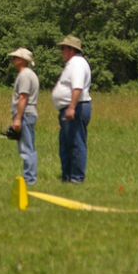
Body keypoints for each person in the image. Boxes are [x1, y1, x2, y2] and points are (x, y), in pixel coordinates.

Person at [51, 36, 92, 184]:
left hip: (76, 108)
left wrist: (72, 107)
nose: (61, 51)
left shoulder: (77, 64)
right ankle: (67, 176)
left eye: (63, 48)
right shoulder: (72, 64)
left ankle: (76, 177)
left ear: (71, 50)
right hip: (70, 109)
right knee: (66, 144)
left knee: (76, 143)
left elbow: (77, 87)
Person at [8, 48, 39, 186]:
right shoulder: (28, 74)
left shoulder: (25, 75)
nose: (12, 61)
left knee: (26, 148)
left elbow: (23, 97)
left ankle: (29, 179)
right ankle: (29, 177)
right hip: (27, 114)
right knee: (28, 146)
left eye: (14, 58)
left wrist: (18, 118)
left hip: (25, 114)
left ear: (21, 60)